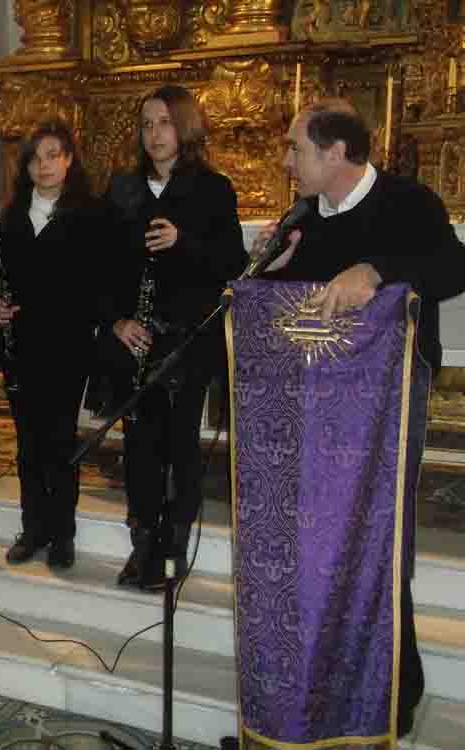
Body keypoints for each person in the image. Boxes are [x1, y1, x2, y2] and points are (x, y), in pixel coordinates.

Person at [250, 98, 465, 740]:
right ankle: (321, 685)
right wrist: (269, 273)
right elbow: (297, 314)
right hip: (314, 403)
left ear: (336, 152)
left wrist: (376, 269)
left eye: (296, 149)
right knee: (319, 546)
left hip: (388, 401)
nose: (286, 161)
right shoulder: (303, 217)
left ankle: (396, 687)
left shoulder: (409, 202)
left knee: (378, 540)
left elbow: (454, 267)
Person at [101, 85, 247, 589]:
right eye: (146, 124)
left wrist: (183, 241)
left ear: (184, 126)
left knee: (180, 445)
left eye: (164, 122)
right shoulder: (123, 188)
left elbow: (233, 264)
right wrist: (117, 322)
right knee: (139, 443)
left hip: (187, 340)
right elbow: (101, 267)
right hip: (136, 338)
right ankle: (142, 543)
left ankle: (174, 548)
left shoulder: (213, 188)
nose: (154, 134)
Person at [0, 120, 111, 570]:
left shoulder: (91, 213)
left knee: (60, 439)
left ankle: (62, 533)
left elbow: (99, 282)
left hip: (67, 344)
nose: (44, 165)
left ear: (69, 160)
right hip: (21, 344)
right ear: (26, 166)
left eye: (53, 155)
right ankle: (33, 528)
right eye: (35, 158)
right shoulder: (11, 216)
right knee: (27, 442)